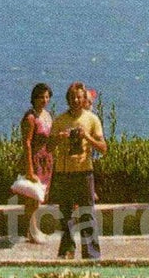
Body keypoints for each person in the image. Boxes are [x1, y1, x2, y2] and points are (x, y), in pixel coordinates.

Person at [48, 81, 107, 260]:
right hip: (64, 173)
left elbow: (103, 148)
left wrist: (86, 136)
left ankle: (91, 253)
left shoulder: (92, 119)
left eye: (79, 97)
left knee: (87, 212)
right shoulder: (59, 120)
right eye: (72, 97)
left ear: (83, 99)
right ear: (68, 99)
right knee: (66, 215)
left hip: (84, 172)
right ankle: (67, 250)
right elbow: (49, 147)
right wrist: (58, 138)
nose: (75, 100)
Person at [18, 83, 54, 243]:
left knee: (39, 197)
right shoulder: (30, 118)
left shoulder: (47, 115)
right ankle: (31, 232)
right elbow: (26, 143)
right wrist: (29, 169)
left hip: (46, 161)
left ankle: (34, 229)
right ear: (34, 98)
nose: (44, 100)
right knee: (31, 198)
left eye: (47, 97)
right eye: (41, 97)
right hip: (34, 161)